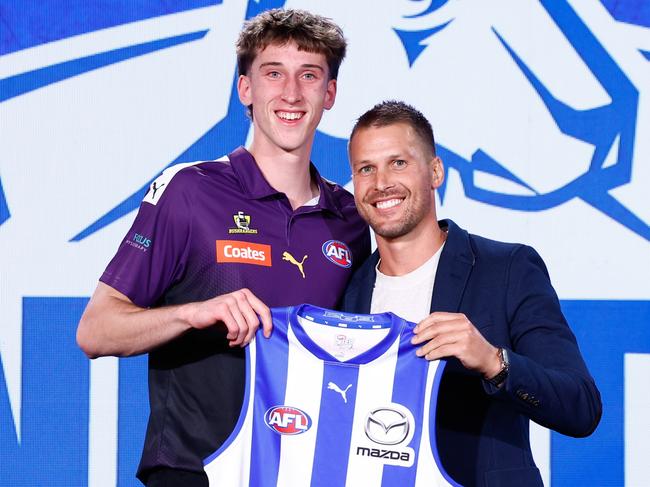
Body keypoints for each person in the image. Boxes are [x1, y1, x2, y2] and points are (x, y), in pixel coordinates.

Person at [76, 9, 369, 486]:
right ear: (246, 90)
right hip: (195, 471)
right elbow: (95, 330)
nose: (291, 94)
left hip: (304, 471)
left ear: (329, 93)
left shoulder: (351, 219)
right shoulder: (190, 190)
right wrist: (193, 313)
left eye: (309, 76)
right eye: (273, 74)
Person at [341, 100, 601, 487]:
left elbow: (581, 407)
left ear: (435, 171)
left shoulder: (508, 268)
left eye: (398, 163)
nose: (381, 184)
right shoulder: (347, 288)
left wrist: (494, 362)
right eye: (366, 169)